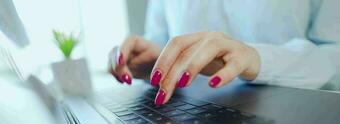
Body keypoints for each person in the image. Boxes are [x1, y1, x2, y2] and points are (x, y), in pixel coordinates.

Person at [108, 0, 340, 106]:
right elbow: (161, 38)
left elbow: (334, 53)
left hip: (292, 112)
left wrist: (257, 59)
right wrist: (156, 63)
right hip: (188, 114)